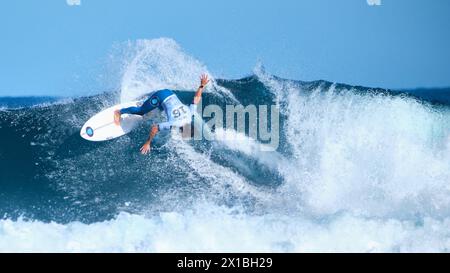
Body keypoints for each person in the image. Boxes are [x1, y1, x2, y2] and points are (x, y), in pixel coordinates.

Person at [114, 74, 210, 154]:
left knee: (156, 112)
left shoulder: (190, 115)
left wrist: (202, 85)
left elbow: (196, 99)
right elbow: (155, 128)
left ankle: (146, 103)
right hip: (161, 97)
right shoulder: (174, 124)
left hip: (170, 93)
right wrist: (148, 143)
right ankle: (119, 112)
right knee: (141, 111)